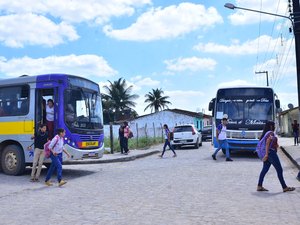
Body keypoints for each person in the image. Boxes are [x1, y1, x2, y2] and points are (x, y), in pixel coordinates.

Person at [257, 121, 295, 192]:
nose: (274, 127)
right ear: (271, 126)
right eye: (274, 125)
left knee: (264, 170)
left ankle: (259, 186)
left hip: (269, 153)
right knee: (279, 170)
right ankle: (284, 187)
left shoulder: (265, 133)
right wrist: (267, 155)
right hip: (271, 153)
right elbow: (268, 143)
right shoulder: (270, 133)